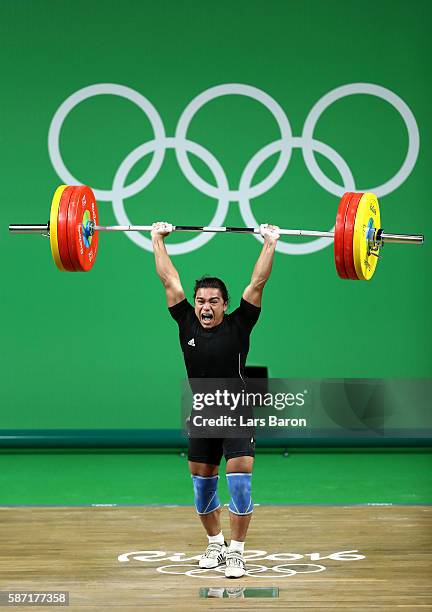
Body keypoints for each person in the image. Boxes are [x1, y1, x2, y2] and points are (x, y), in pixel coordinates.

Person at [151, 222, 279, 578]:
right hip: (203, 414)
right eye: (201, 301)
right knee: (202, 485)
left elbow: (257, 283)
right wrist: (157, 239)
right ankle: (215, 544)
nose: (205, 307)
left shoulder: (240, 324)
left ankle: (237, 552)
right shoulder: (186, 324)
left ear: (225, 304)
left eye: (213, 301)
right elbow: (168, 280)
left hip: (236, 411)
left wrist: (269, 242)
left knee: (239, 481)